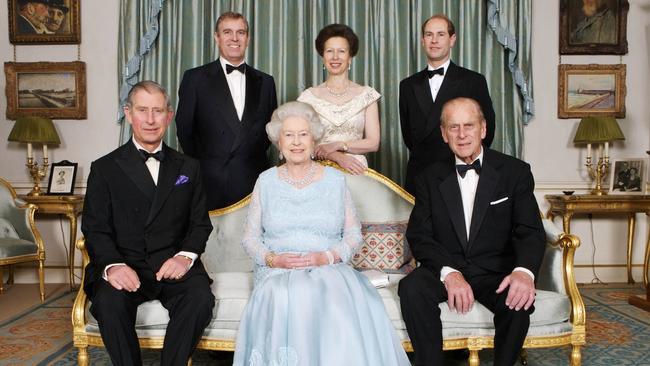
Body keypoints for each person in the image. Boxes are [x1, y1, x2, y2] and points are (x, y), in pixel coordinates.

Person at [232, 101, 410, 366]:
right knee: (285, 296)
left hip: (328, 267)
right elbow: (250, 238)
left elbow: (352, 234)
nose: (296, 142)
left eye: (303, 134)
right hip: (278, 271)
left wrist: (326, 257)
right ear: (278, 143)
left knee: (332, 298)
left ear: (314, 139)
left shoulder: (334, 180)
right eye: (288, 135)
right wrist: (273, 259)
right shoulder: (266, 181)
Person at [398, 97, 545, 366]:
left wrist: (524, 273)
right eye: (453, 127)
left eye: (469, 125)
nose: (462, 134)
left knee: (517, 300)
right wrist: (450, 273)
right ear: (444, 134)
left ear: (483, 129)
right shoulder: (429, 177)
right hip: (448, 268)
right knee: (412, 287)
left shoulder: (515, 172)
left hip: (496, 271)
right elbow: (420, 235)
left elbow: (529, 230)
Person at [82, 81, 215, 366]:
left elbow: (200, 224)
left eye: (158, 111)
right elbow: (95, 228)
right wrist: (113, 265)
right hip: (126, 263)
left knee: (200, 300)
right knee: (108, 303)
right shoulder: (104, 168)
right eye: (143, 110)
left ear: (169, 115)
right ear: (128, 114)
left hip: (171, 265)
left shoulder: (188, 167)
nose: (151, 120)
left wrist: (184, 257)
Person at [176, 11, 278, 211]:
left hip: (254, 180)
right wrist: (210, 164)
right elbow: (184, 130)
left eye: (240, 32)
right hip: (210, 181)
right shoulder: (195, 78)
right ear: (217, 37)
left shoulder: (266, 81)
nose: (234, 38)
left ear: (247, 38)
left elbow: (270, 131)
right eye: (227, 32)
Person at [399, 14, 495, 194]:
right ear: (422, 40)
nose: (434, 40)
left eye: (441, 34)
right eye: (429, 35)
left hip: (460, 171)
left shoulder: (473, 81)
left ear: (452, 40)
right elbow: (408, 136)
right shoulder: (407, 85)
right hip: (420, 175)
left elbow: (486, 131)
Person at [297, 24, 380, 175]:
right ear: (323, 57)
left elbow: (373, 143)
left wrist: (339, 145)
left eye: (341, 51)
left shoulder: (367, 95)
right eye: (329, 51)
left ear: (350, 57)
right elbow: (303, 143)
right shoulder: (307, 98)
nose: (335, 57)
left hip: (356, 170)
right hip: (319, 172)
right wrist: (336, 156)